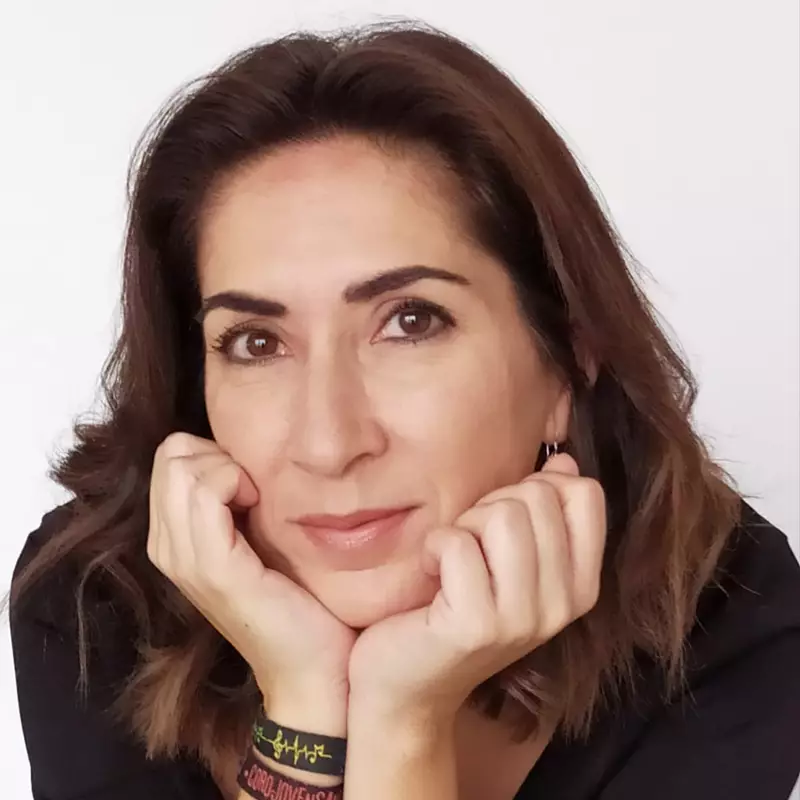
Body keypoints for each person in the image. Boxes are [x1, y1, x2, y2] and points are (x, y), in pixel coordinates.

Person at [7, 19, 800, 800]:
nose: (329, 443)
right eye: (256, 342)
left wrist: (403, 718)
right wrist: (306, 701)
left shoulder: (728, 620)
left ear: (567, 357)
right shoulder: (94, 600)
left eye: (411, 322)